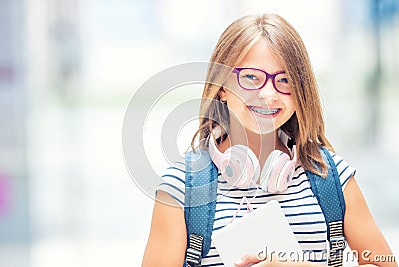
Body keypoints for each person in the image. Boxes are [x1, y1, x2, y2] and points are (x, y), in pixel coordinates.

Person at [141, 13, 397, 267]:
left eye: (284, 80)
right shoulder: (180, 188)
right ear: (221, 87)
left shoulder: (332, 179)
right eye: (251, 78)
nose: (268, 94)